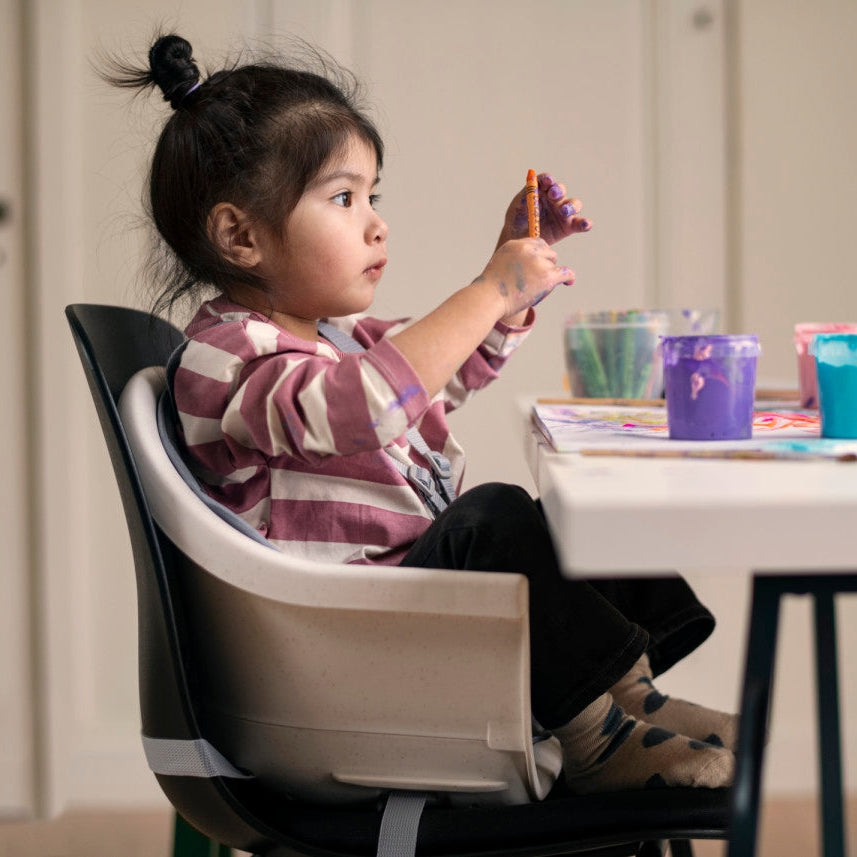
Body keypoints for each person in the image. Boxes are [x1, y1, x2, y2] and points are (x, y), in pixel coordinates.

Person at [105, 32, 736, 794]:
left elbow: (439, 370)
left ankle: (629, 702)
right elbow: (368, 403)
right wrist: (490, 290)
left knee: (577, 515)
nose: (376, 223)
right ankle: (596, 742)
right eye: (344, 199)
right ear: (240, 236)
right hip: (344, 654)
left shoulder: (336, 340)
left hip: (403, 624)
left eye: (373, 197)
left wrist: (503, 284)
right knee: (492, 518)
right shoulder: (225, 358)